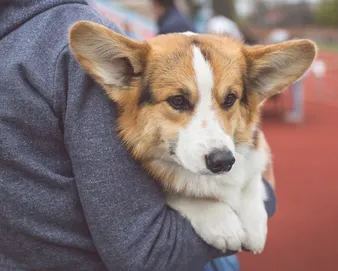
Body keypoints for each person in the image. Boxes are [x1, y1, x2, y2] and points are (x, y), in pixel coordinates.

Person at [0, 0, 277, 270]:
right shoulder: (64, 49)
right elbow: (145, 254)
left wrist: (251, 192)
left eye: (228, 100)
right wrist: (267, 195)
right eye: (179, 102)